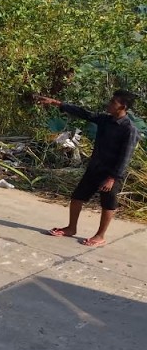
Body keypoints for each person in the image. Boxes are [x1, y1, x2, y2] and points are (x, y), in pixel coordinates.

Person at [34, 90, 140, 247]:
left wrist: (112, 178)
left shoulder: (129, 130)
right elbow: (84, 113)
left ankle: (100, 235)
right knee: (77, 197)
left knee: (108, 204)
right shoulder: (105, 120)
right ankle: (71, 228)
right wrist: (57, 103)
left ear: (122, 106)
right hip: (95, 167)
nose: (109, 104)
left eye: (113, 102)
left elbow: (125, 157)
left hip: (110, 173)